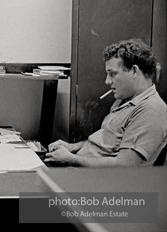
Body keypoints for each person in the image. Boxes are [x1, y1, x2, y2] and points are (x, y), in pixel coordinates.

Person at [45, 38, 167, 167]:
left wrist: (70, 158)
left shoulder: (151, 110)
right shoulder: (124, 99)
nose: (107, 81)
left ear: (134, 71)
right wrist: (72, 147)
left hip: (99, 181)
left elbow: (124, 165)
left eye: (113, 74)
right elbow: (105, 144)